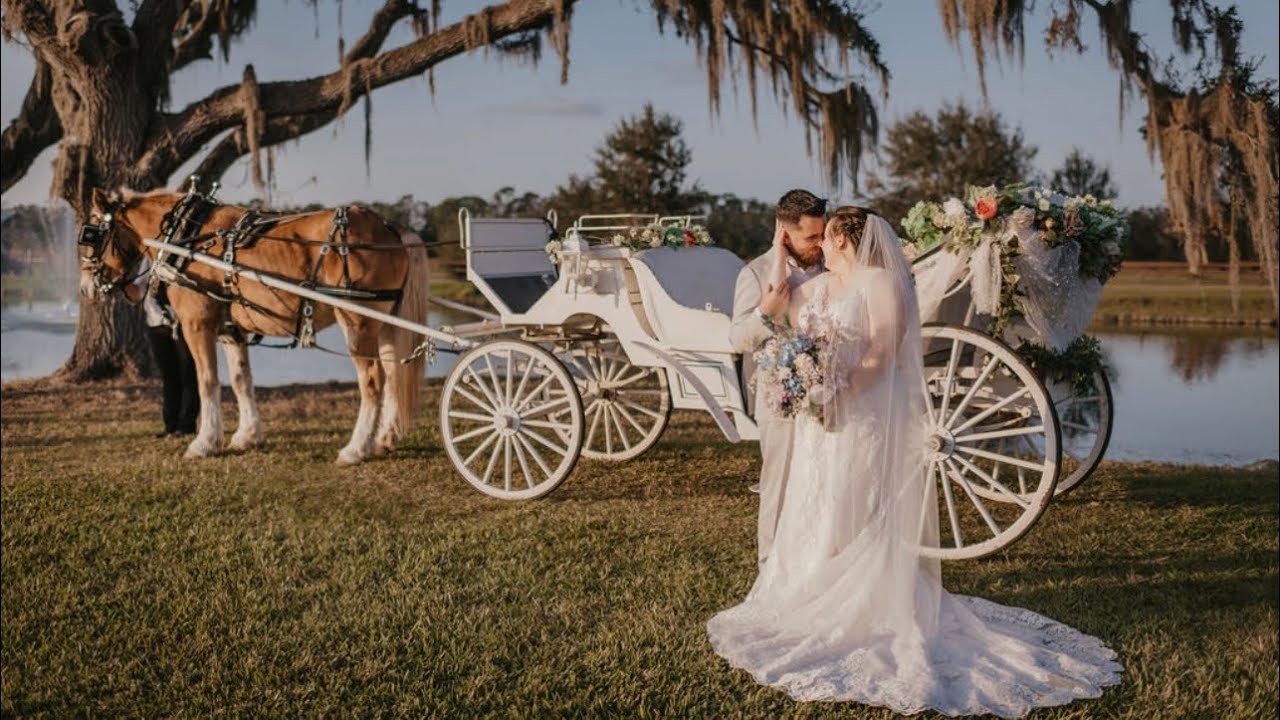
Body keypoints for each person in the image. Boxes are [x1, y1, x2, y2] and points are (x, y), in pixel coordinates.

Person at [708, 207, 1122, 717]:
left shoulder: (878, 282)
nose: (820, 245)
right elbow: (780, 313)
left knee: (853, 500)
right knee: (816, 501)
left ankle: (860, 601)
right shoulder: (820, 285)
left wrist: (833, 391)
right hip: (822, 421)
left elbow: (884, 350)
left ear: (845, 239)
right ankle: (806, 586)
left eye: (829, 236)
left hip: (859, 413)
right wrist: (777, 250)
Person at [729, 189, 826, 567]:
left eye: (822, 235)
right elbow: (737, 338)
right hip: (780, 394)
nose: (819, 244)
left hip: (830, 391)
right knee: (780, 485)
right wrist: (767, 313)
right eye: (810, 238)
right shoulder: (754, 273)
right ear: (785, 233)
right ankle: (770, 565)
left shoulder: (832, 265)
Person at [125, 259, 199, 437]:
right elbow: (139, 292)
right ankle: (170, 425)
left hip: (183, 324)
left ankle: (186, 426)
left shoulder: (183, 257)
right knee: (169, 376)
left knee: (188, 374)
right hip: (157, 324)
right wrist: (122, 283)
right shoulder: (150, 260)